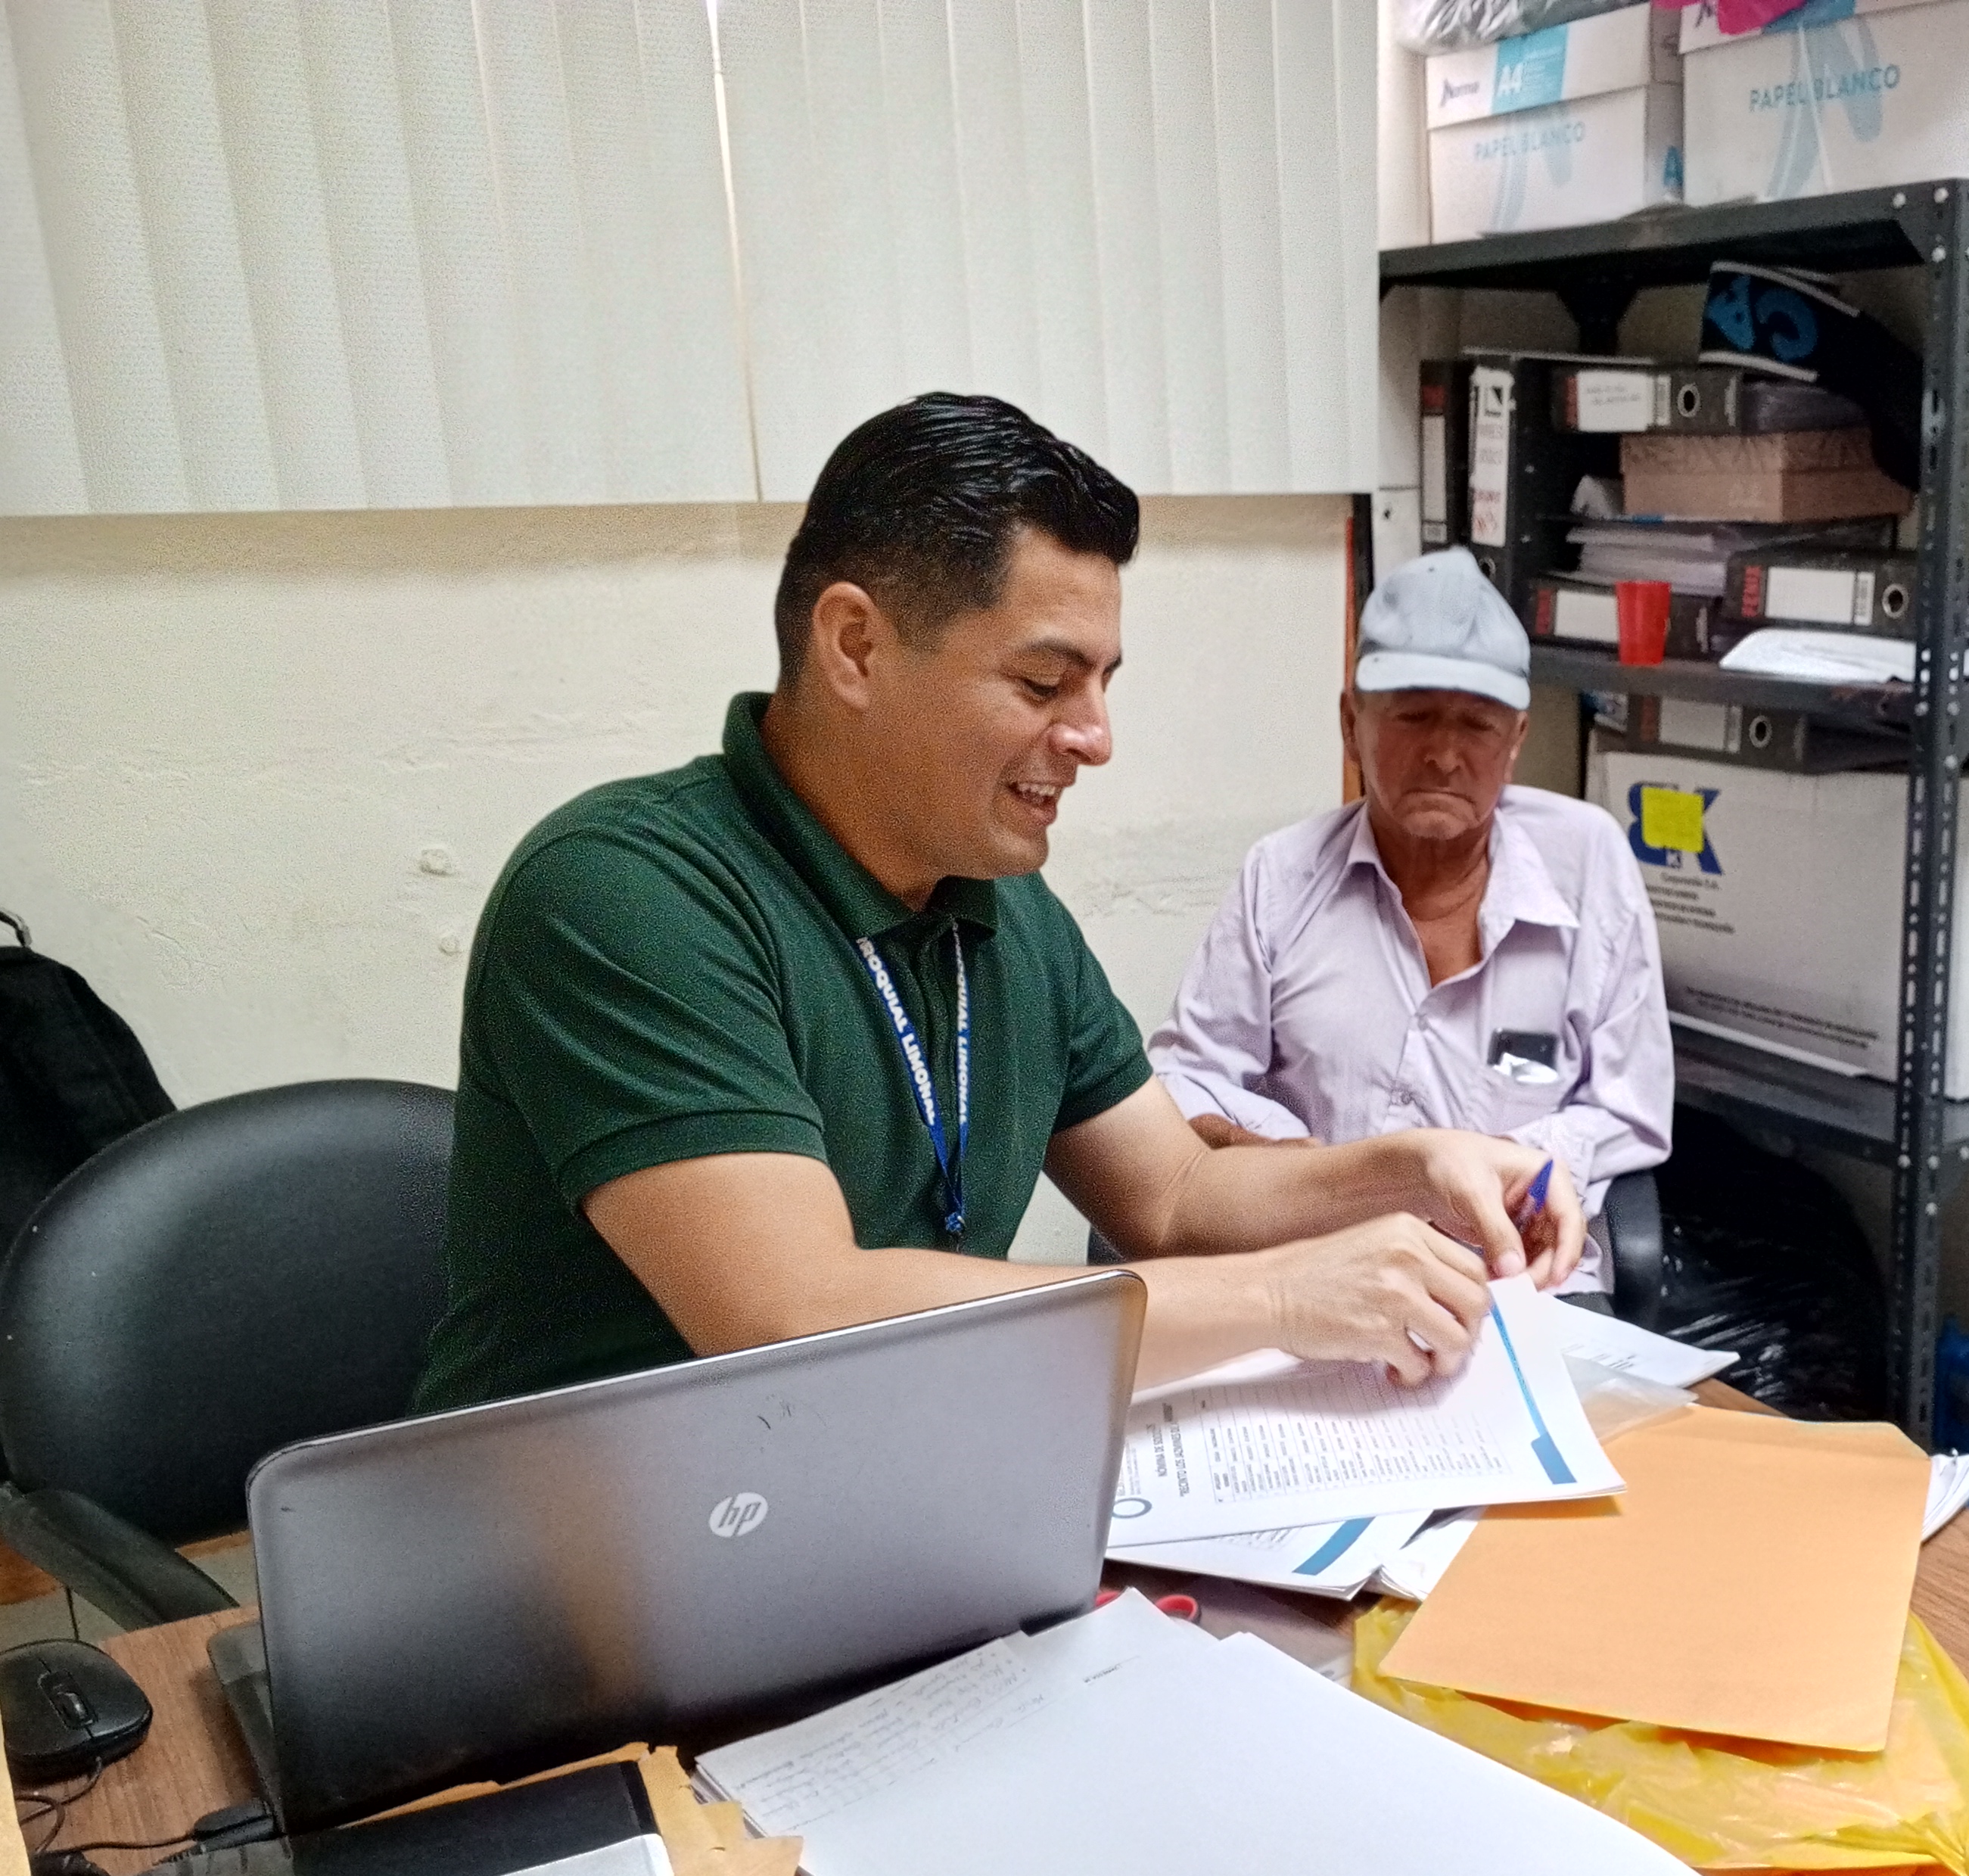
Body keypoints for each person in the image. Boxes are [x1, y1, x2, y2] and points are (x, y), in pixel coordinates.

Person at [412, 396, 1579, 1415]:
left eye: (1102, 685)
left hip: (882, 1488)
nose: (1095, 737)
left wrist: (1414, 1168)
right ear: (856, 647)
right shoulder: (628, 894)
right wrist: (1279, 1297)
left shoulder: (1002, 909)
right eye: (1043, 681)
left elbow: (1174, 1193)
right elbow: (794, 1316)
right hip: (590, 1553)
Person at [1146, 549, 1669, 1305]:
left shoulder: (1588, 863)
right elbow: (1185, 1078)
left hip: (1522, 1285)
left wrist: (1501, 1167)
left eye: (1477, 725)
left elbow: (1629, 1109)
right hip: (1325, 1275)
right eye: (1414, 716)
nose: (1444, 755)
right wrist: (1302, 1164)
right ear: (1350, 724)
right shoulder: (1282, 876)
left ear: (1515, 740)